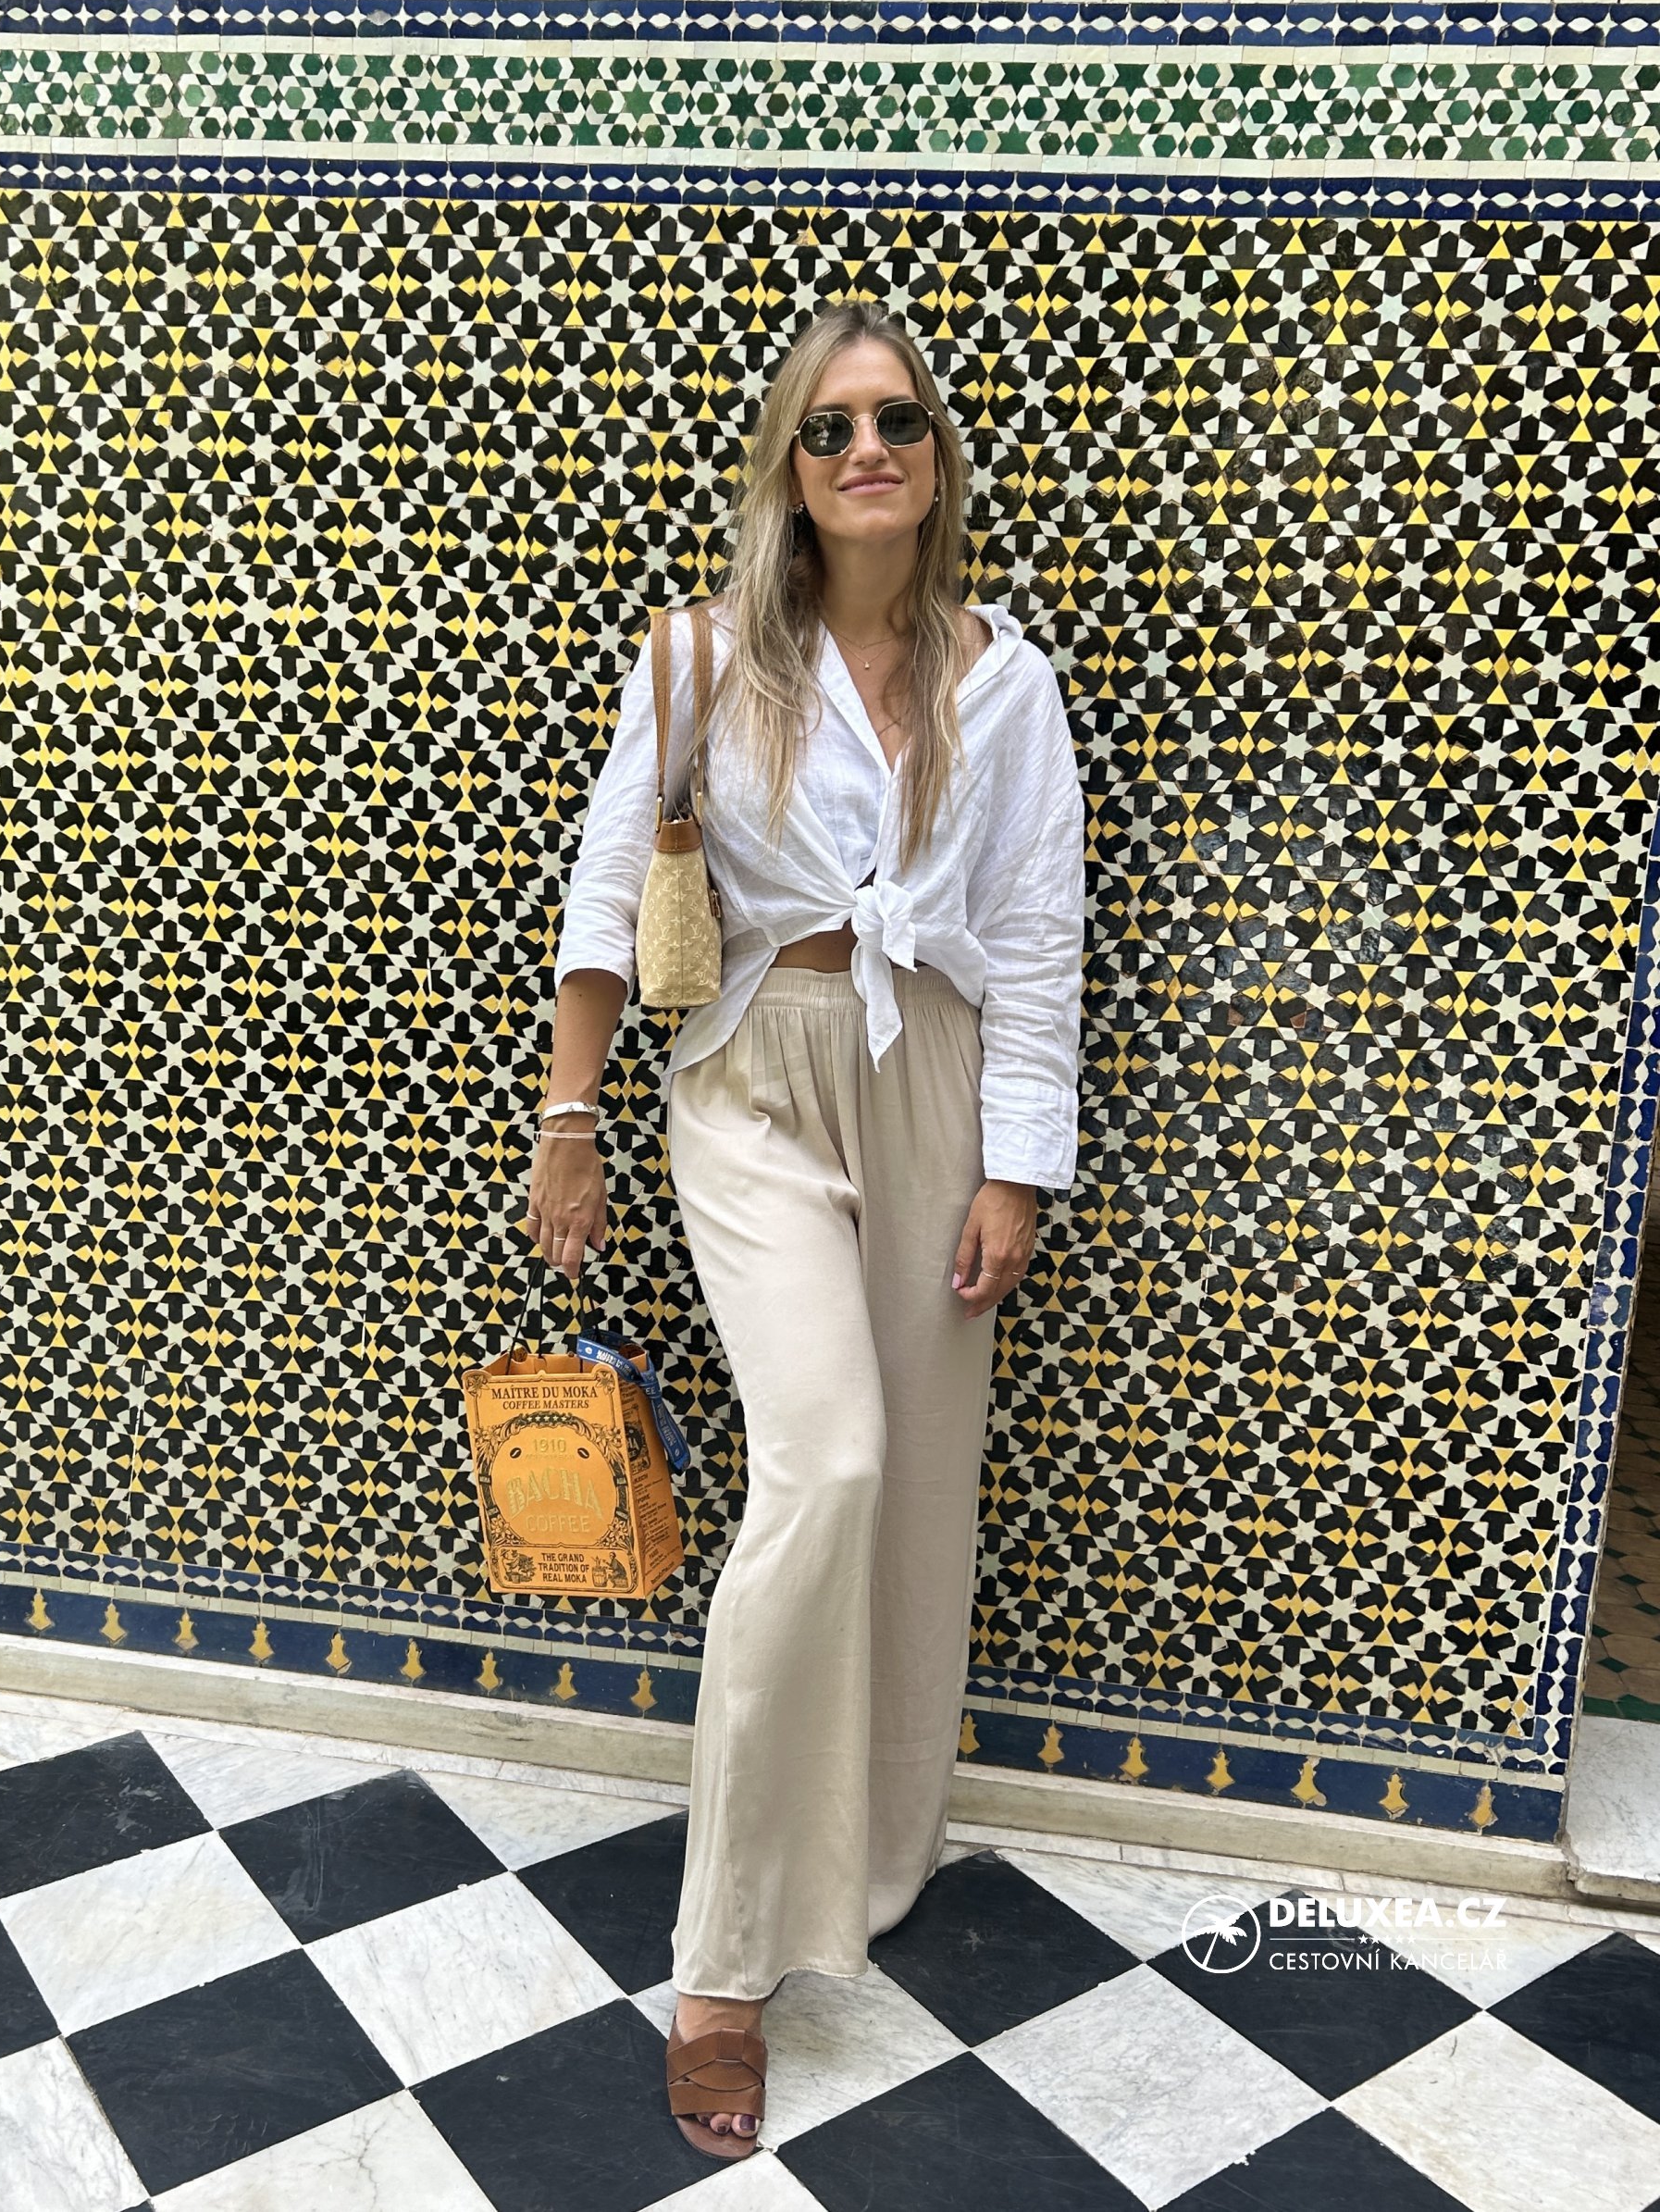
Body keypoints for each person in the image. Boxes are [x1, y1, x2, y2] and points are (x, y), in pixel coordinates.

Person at [523, 301, 1084, 2159]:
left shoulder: (1006, 683)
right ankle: (725, 1963)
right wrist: (571, 1120)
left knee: (916, 1494)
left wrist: (1015, 1168)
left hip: (936, 1083)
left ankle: (868, 1861)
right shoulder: (699, 655)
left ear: (937, 459)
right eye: (831, 425)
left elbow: (1035, 940)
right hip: (755, 1078)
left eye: (898, 420)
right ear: (789, 461)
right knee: (828, 1460)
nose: (867, 450)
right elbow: (612, 888)